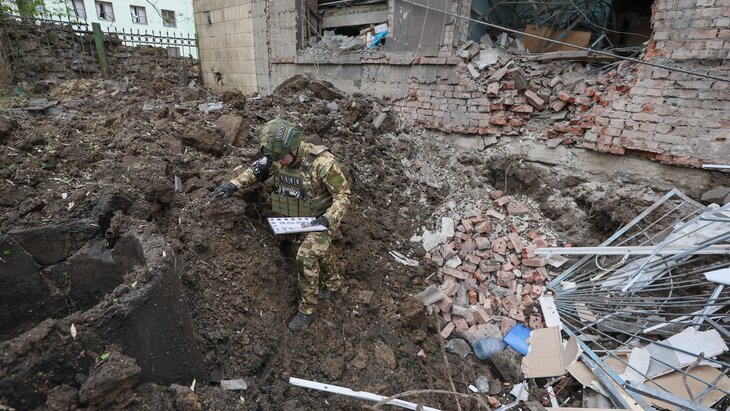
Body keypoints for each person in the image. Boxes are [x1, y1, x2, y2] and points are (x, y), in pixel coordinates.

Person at [212, 118, 350, 332]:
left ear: (294, 147)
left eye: (282, 158)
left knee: (306, 256)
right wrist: (233, 185)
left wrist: (328, 219)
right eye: (276, 159)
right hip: (300, 216)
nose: (280, 163)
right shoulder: (277, 157)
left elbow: (343, 196)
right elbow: (255, 171)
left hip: (324, 218)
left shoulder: (323, 163)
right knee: (320, 251)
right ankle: (333, 283)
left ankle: (307, 310)